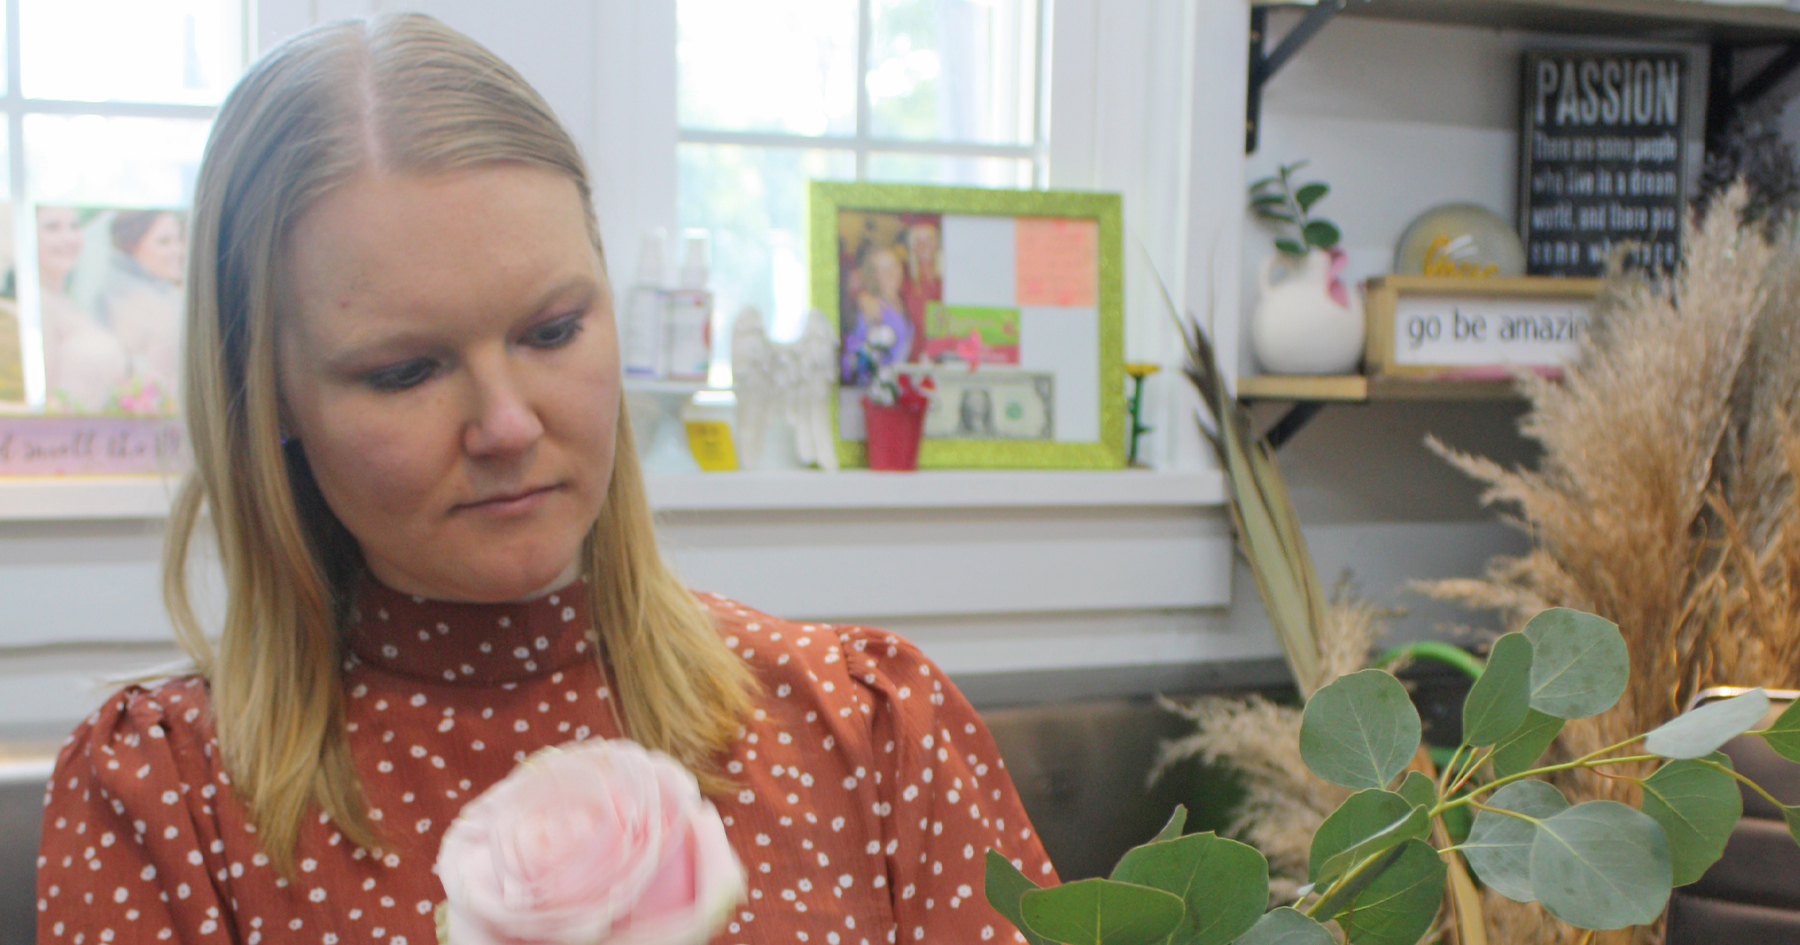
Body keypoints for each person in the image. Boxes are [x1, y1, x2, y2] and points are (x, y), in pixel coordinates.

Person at [35, 14, 1054, 945]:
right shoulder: (167, 798)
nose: (508, 424)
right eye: (404, 372)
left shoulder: (867, 731)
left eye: (554, 330)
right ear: (270, 401)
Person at [37, 206, 131, 412]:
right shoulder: (38, 305)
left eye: (74, 226)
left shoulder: (67, 302)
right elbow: (45, 399)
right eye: (53, 228)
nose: (68, 237)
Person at [94, 209, 186, 410]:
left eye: (178, 239)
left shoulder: (171, 296)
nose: (178, 250)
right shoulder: (131, 304)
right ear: (131, 247)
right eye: (164, 242)